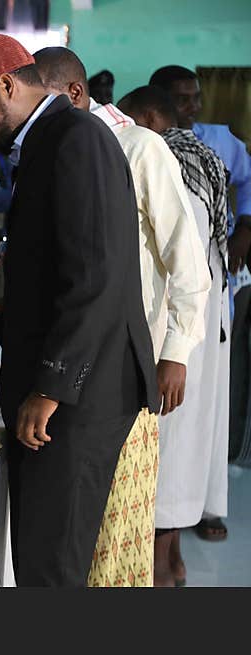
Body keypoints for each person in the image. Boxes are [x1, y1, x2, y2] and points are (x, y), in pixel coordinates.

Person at [0, 33, 159, 586]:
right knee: (41, 559)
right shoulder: (50, 141)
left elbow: (95, 280)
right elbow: (53, 271)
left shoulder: (75, 140)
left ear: (7, 84)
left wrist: (51, 387)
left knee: (51, 568)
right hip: (64, 386)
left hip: (78, 396)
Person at [34, 48, 210, 587]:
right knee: (74, 525)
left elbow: (188, 261)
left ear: (73, 96)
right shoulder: (58, 152)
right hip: (73, 362)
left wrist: (175, 353)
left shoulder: (139, 148)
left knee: (117, 527)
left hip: (131, 365)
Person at [120, 85, 231, 585]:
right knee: (184, 442)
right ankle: (173, 559)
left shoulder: (167, 163)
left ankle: (161, 564)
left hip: (173, 333)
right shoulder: (203, 159)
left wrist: (169, 349)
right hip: (199, 332)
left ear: (146, 118)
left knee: (166, 442)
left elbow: (172, 263)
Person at [150, 64, 251, 540]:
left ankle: (205, 504)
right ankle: (171, 512)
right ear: (162, 105)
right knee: (183, 407)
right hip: (180, 293)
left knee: (210, 396)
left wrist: (244, 228)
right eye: (182, 99)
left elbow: (243, 189)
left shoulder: (219, 143)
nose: (192, 107)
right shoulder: (156, 150)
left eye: (196, 97)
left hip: (212, 284)